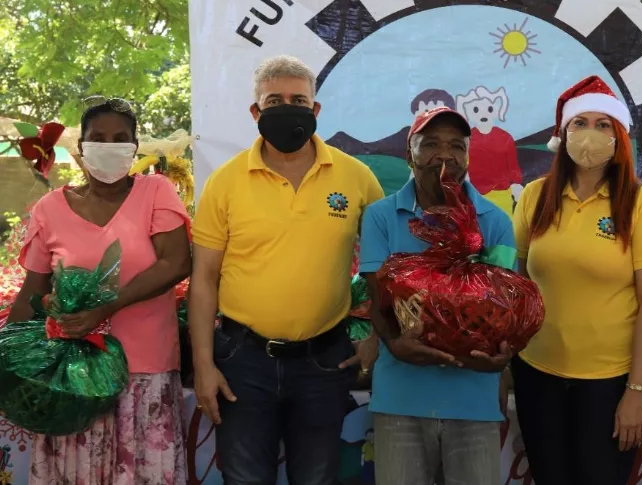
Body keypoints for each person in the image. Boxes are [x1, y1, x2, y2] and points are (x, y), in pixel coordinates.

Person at [188, 55, 384, 485]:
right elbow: (203, 280)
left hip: (324, 361)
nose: (287, 107)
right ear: (255, 112)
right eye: (274, 100)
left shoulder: (356, 177)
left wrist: (376, 339)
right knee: (243, 479)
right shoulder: (225, 181)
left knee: (317, 478)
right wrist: (204, 365)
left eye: (298, 99)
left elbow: (386, 269)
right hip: (243, 361)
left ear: (315, 110)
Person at [8, 97, 192, 484]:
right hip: (73, 381)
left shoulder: (156, 192)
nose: (109, 147)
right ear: (80, 150)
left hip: (144, 374)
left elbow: (175, 262)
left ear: (134, 147)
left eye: (119, 139)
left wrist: (105, 308)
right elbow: (32, 290)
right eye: (98, 139)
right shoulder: (50, 209)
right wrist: (10, 357)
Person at [512, 76, 642, 485]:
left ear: (619, 138)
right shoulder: (534, 196)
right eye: (580, 123)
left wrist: (636, 392)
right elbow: (517, 283)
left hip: (610, 382)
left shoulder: (641, 202)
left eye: (604, 125)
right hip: (537, 373)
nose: (591, 134)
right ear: (562, 135)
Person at [359, 106, 516, 485]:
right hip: (401, 397)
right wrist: (396, 345)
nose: (444, 156)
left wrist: (500, 359)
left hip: (473, 400)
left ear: (467, 157)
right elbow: (378, 296)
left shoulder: (494, 221)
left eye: (456, 147)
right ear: (407, 154)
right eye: (430, 144)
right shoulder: (381, 216)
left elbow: (503, 303)